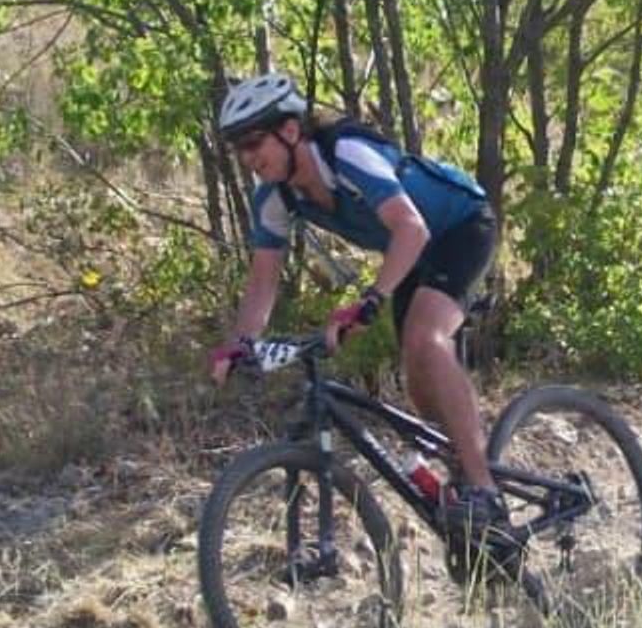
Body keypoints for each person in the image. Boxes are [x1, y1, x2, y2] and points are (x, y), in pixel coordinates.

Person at [208, 71, 506, 534]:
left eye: (253, 143)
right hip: (413, 249)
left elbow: (412, 227)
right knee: (415, 371)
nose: (248, 159)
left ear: (289, 131)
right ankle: (461, 475)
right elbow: (263, 279)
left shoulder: (347, 153)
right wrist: (239, 344)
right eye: (238, 149)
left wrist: (368, 302)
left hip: (461, 225)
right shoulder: (274, 196)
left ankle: (485, 490)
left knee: (427, 339)